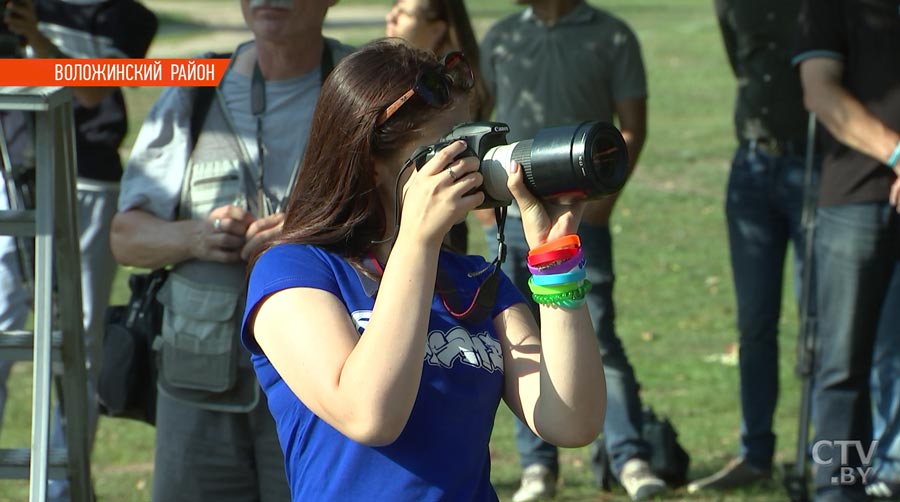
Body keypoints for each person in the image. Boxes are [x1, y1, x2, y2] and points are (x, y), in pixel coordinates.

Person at [240, 38, 607, 501]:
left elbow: (570, 420)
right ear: (371, 160)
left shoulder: (474, 282)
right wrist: (416, 238)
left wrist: (556, 266)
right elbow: (369, 415)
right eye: (449, 150)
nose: (469, 165)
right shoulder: (294, 273)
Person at [109, 0, 352, 499]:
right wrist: (195, 236)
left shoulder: (364, 86)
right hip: (197, 389)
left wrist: (314, 232)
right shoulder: (196, 87)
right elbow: (125, 235)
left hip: (322, 386)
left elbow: (423, 225)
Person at [478, 1, 658, 500]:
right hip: (510, 222)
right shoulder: (502, 37)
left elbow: (631, 128)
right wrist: (482, 207)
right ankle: (538, 468)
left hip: (577, 219)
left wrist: (599, 204)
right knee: (520, 339)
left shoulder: (612, 34)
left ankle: (630, 457)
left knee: (595, 331)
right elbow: (478, 117)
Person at [0, 0, 156, 499]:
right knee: (2, 324)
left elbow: (91, 90)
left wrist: (40, 42)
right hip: (12, 173)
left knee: (78, 337)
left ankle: (60, 489)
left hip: (86, 181)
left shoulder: (128, 18)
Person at [686, 0, 818, 493]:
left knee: (821, 322)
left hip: (819, 164)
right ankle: (755, 453)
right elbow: (743, 64)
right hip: (754, 167)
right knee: (755, 323)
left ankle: (822, 456)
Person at [793, 0, 900, 500]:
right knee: (841, 365)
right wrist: (897, 155)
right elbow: (820, 92)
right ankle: (838, 485)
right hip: (855, 199)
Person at [384, 0, 490, 253]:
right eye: (393, 8)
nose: (391, 17)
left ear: (437, 30)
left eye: (405, 14)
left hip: (438, 214)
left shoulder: (457, 86)